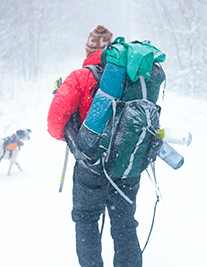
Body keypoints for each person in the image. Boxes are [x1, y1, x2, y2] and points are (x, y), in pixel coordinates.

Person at [47, 25, 143, 267]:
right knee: (124, 223)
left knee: (87, 220)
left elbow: (55, 120)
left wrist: (68, 137)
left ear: (88, 50)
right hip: (125, 164)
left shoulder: (79, 77)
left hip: (90, 164)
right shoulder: (132, 76)